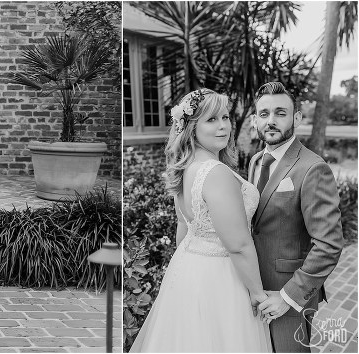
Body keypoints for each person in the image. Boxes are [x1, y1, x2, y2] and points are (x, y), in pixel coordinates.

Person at [130, 89, 272, 352]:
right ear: (192, 128)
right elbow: (239, 244)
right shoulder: (215, 173)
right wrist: (257, 292)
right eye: (212, 120)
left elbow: (183, 230)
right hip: (222, 276)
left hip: (188, 268)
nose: (223, 126)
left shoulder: (184, 169)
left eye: (226, 117)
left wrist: (184, 275)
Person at [248, 82, 344, 352]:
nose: (271, 121)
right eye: (264, 114)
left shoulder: (313, 168)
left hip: (288, 296)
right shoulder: (256, 161)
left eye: (281, 113)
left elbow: (328, 245)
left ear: (297, 118)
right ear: (255, 119)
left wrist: (287, 297)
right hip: (254, 290)